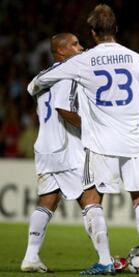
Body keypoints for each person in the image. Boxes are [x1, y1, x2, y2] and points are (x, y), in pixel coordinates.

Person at [27, 4, 139, 276]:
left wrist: (33, 86)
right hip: (133, 138)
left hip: (101, 142)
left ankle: (105, 261)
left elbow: (44, 78)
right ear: (116, 29)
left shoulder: (83, 60)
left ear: (93, 32)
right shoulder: (136, 58)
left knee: (92, 198)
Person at [21, 32, 85, 273]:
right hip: (66, 147)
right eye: (75, 44)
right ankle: (105, 258)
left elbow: (30, 87)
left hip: (44, 146)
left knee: (48, 200)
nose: (81, 47)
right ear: (61, 51)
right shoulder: (69, 75)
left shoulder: (42, 77)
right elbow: (63, 109)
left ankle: (30, 257)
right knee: (90, 200)